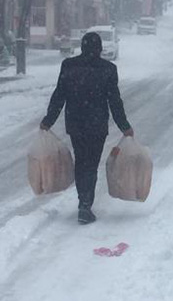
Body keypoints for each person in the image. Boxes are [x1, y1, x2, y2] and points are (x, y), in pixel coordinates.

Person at [40, 32, 134, 225]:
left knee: (81, 161)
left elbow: (59, 96)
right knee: (91, 164)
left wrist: (48, 121)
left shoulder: (69, 66)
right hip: (97, 125)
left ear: (82, 47)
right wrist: (125, 126)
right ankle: (85, 205)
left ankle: (83, 201)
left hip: (76, 124)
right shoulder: (108, 69)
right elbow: (115, 101)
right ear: (99, 49)